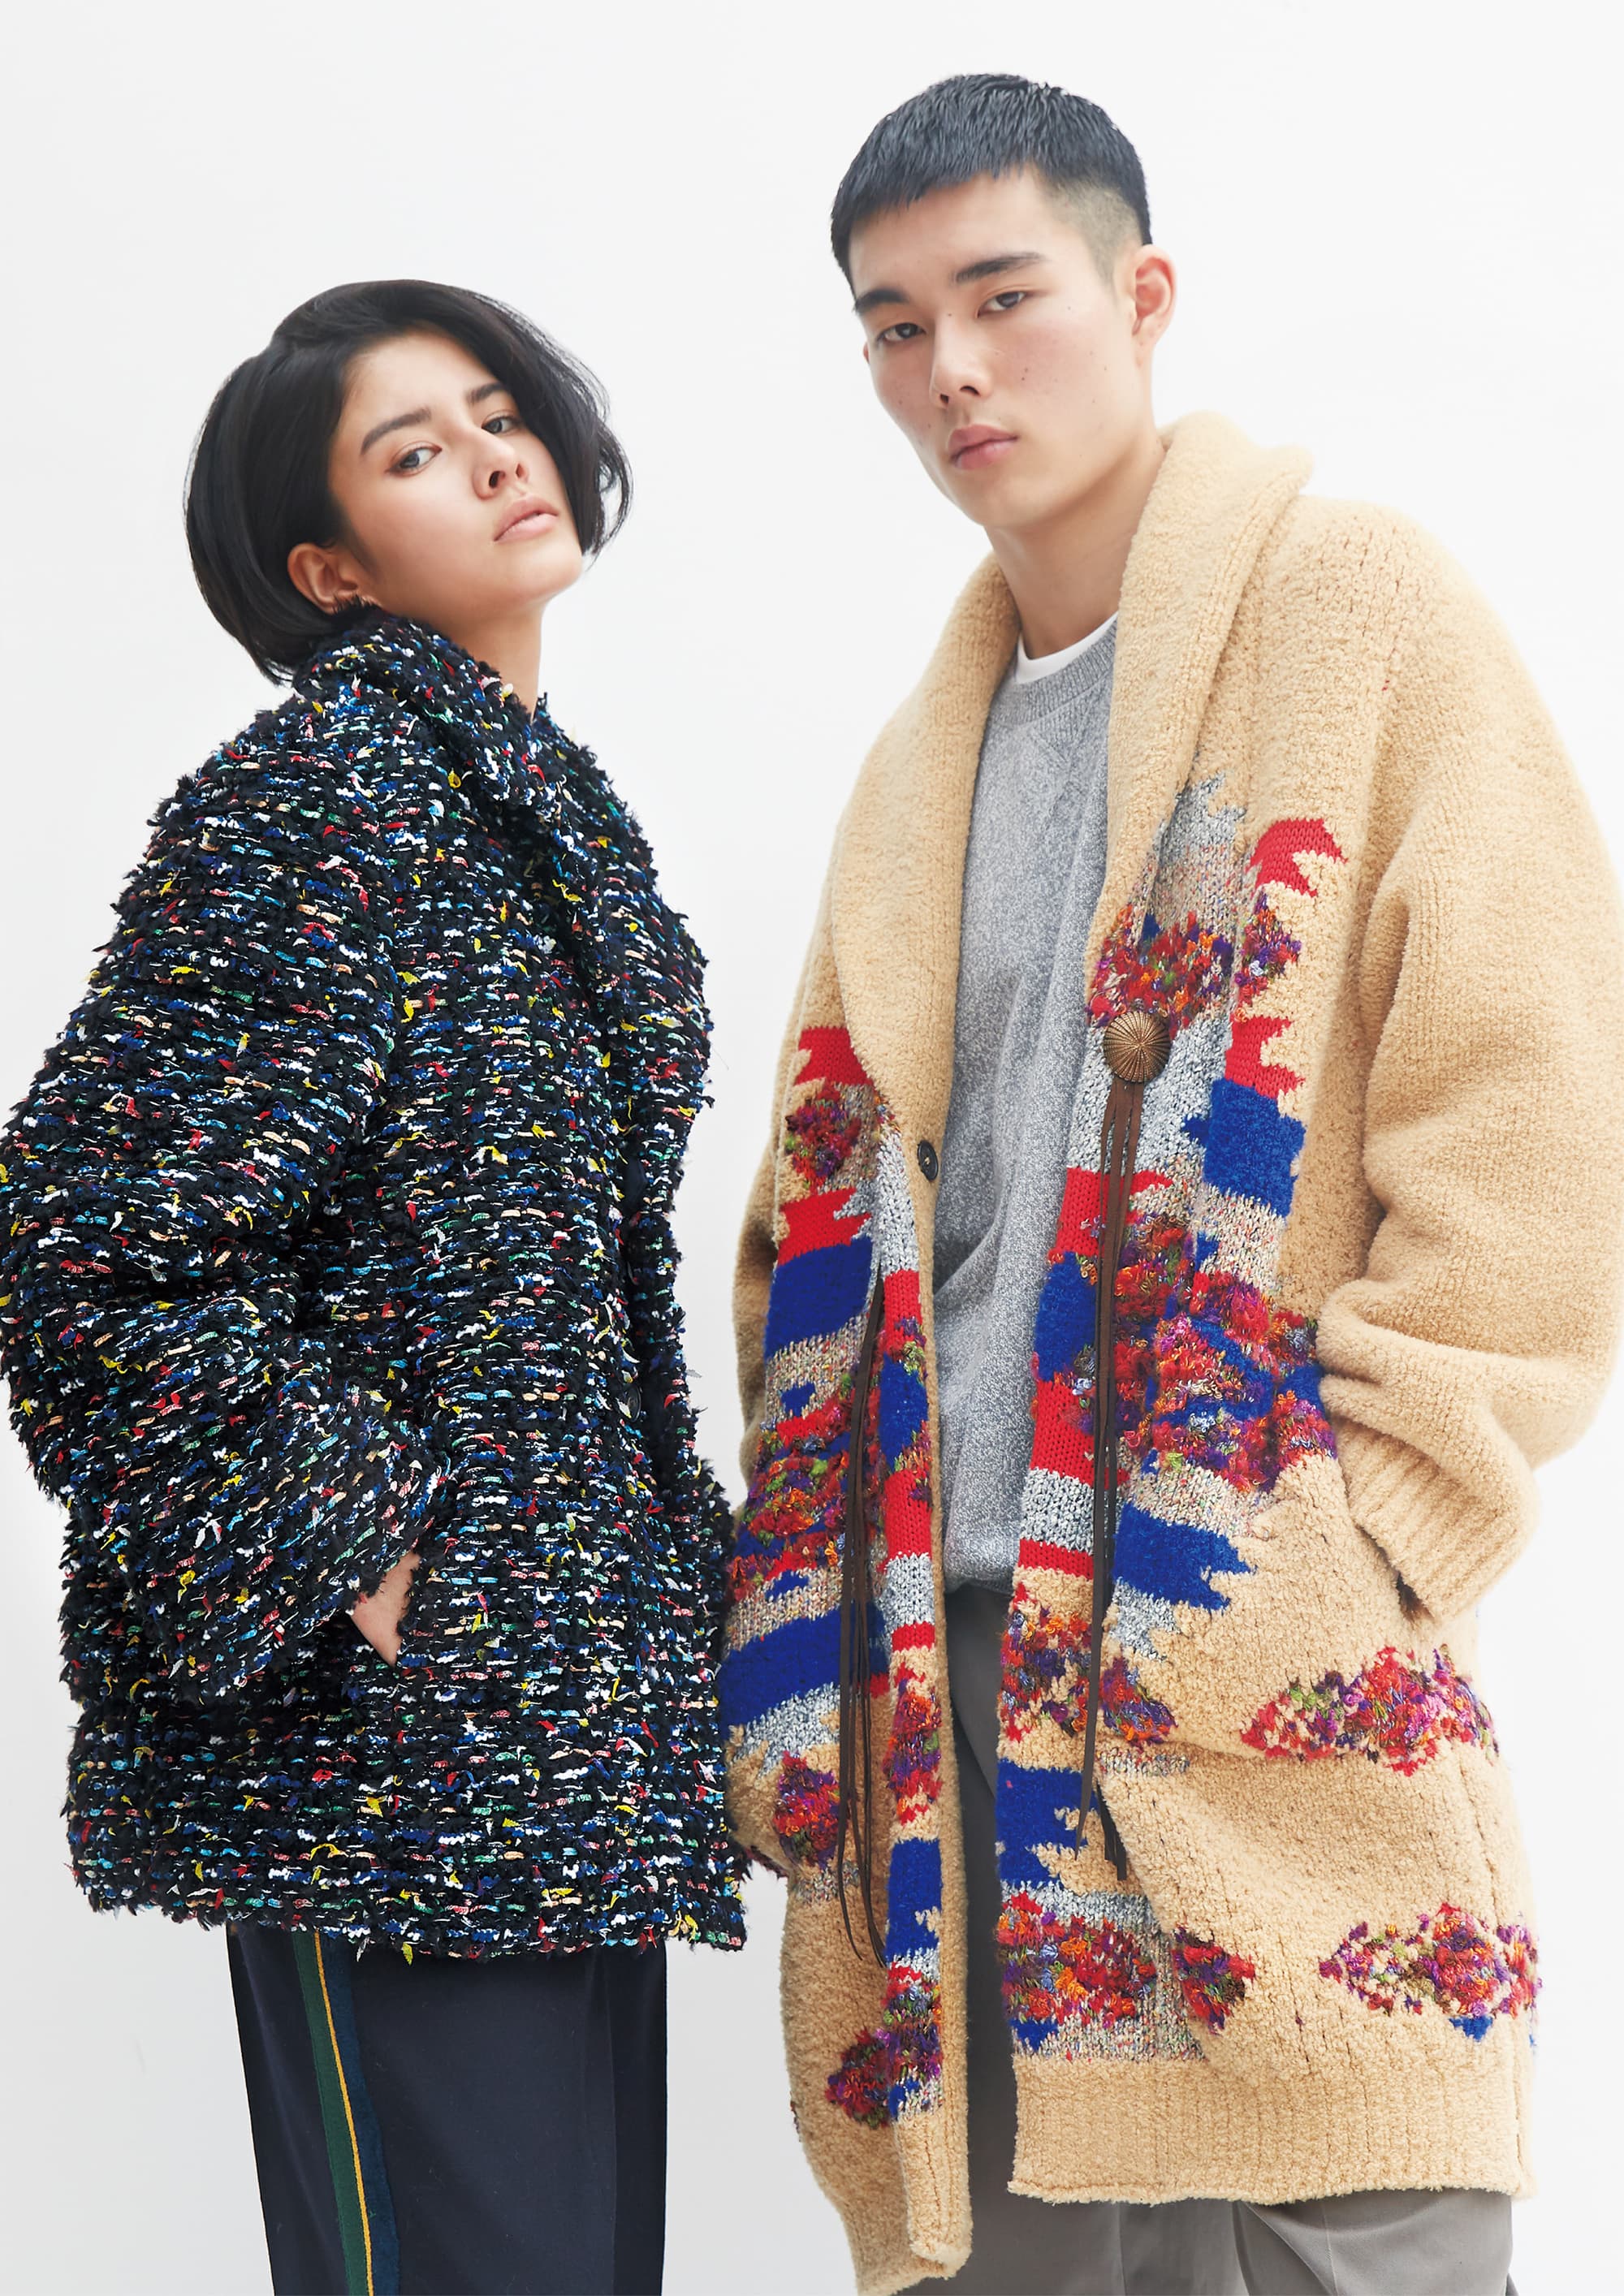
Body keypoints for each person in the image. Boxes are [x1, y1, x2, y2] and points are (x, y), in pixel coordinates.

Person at [719, 73, 1624, 2296]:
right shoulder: (913, 764)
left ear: (1140, 294)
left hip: (1252, 1625)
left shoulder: (1354, 607)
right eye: (894, 327)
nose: (950, 370)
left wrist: (1370, 1518)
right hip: (943, 1672)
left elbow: (1532, 1076)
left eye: (1000, 297)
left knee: (1367, 2215)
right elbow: (806, 1212)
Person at [0, 278, 741, 2296]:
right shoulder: (323, 801)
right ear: (327, 568)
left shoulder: (523, 814)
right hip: (388, 1763)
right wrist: (360, 1547)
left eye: (498, 413)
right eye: (415, 450)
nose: (494, 458)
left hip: (563, 1736)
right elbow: (90, 1245)